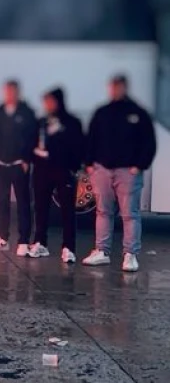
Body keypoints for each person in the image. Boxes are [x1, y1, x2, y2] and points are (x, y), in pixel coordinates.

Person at [82, 74, 157, 272]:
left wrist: (139, 165)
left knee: (129, 214)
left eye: (119, 87)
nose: (115, 90)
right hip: (103, 170)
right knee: (103, 211)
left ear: (125, 88)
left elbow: (148, 142)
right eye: (113, 87)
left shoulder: (138, 113)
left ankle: (130, 255)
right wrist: (89, 164)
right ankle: (101, 251)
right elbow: (91, 138)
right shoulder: (102, 112)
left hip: (128, 171)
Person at [30, 87, 83, 263]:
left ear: (59, 101)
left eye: (50, 101)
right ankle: (40, 243)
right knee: (40, 208)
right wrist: (34, 156)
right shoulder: (42, 121)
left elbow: (78, 145)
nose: (47, 105)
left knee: (67, 210)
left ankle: (68, 247)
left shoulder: (72, 122)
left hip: (63, 171)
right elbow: (31, 142)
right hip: (42, 171)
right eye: (45, 102)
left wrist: (73, 166)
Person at [0, 79, 38, 255]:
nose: (9, 95)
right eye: (6, 91)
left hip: (18, 164)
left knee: (23, 203)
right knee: (1, 202)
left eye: (12, 91)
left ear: (18, 93)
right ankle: (2, 238)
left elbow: (33, 136)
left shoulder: (27, 113)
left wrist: (26, 159)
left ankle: (23, 241)